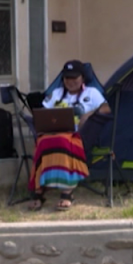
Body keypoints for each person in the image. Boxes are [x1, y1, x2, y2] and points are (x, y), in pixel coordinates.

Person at [28, 60, 111, 211]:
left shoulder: (92, 93)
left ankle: (67, 192)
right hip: (54, 133)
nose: (70, 81)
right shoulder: (57, 94)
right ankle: (39, 190)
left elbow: (106, 109)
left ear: (83, 78)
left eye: (74, 77)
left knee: (63, 141)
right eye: (67, 78)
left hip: (80, 136)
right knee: (42, 142)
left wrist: (89, 113)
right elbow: (43, 112)